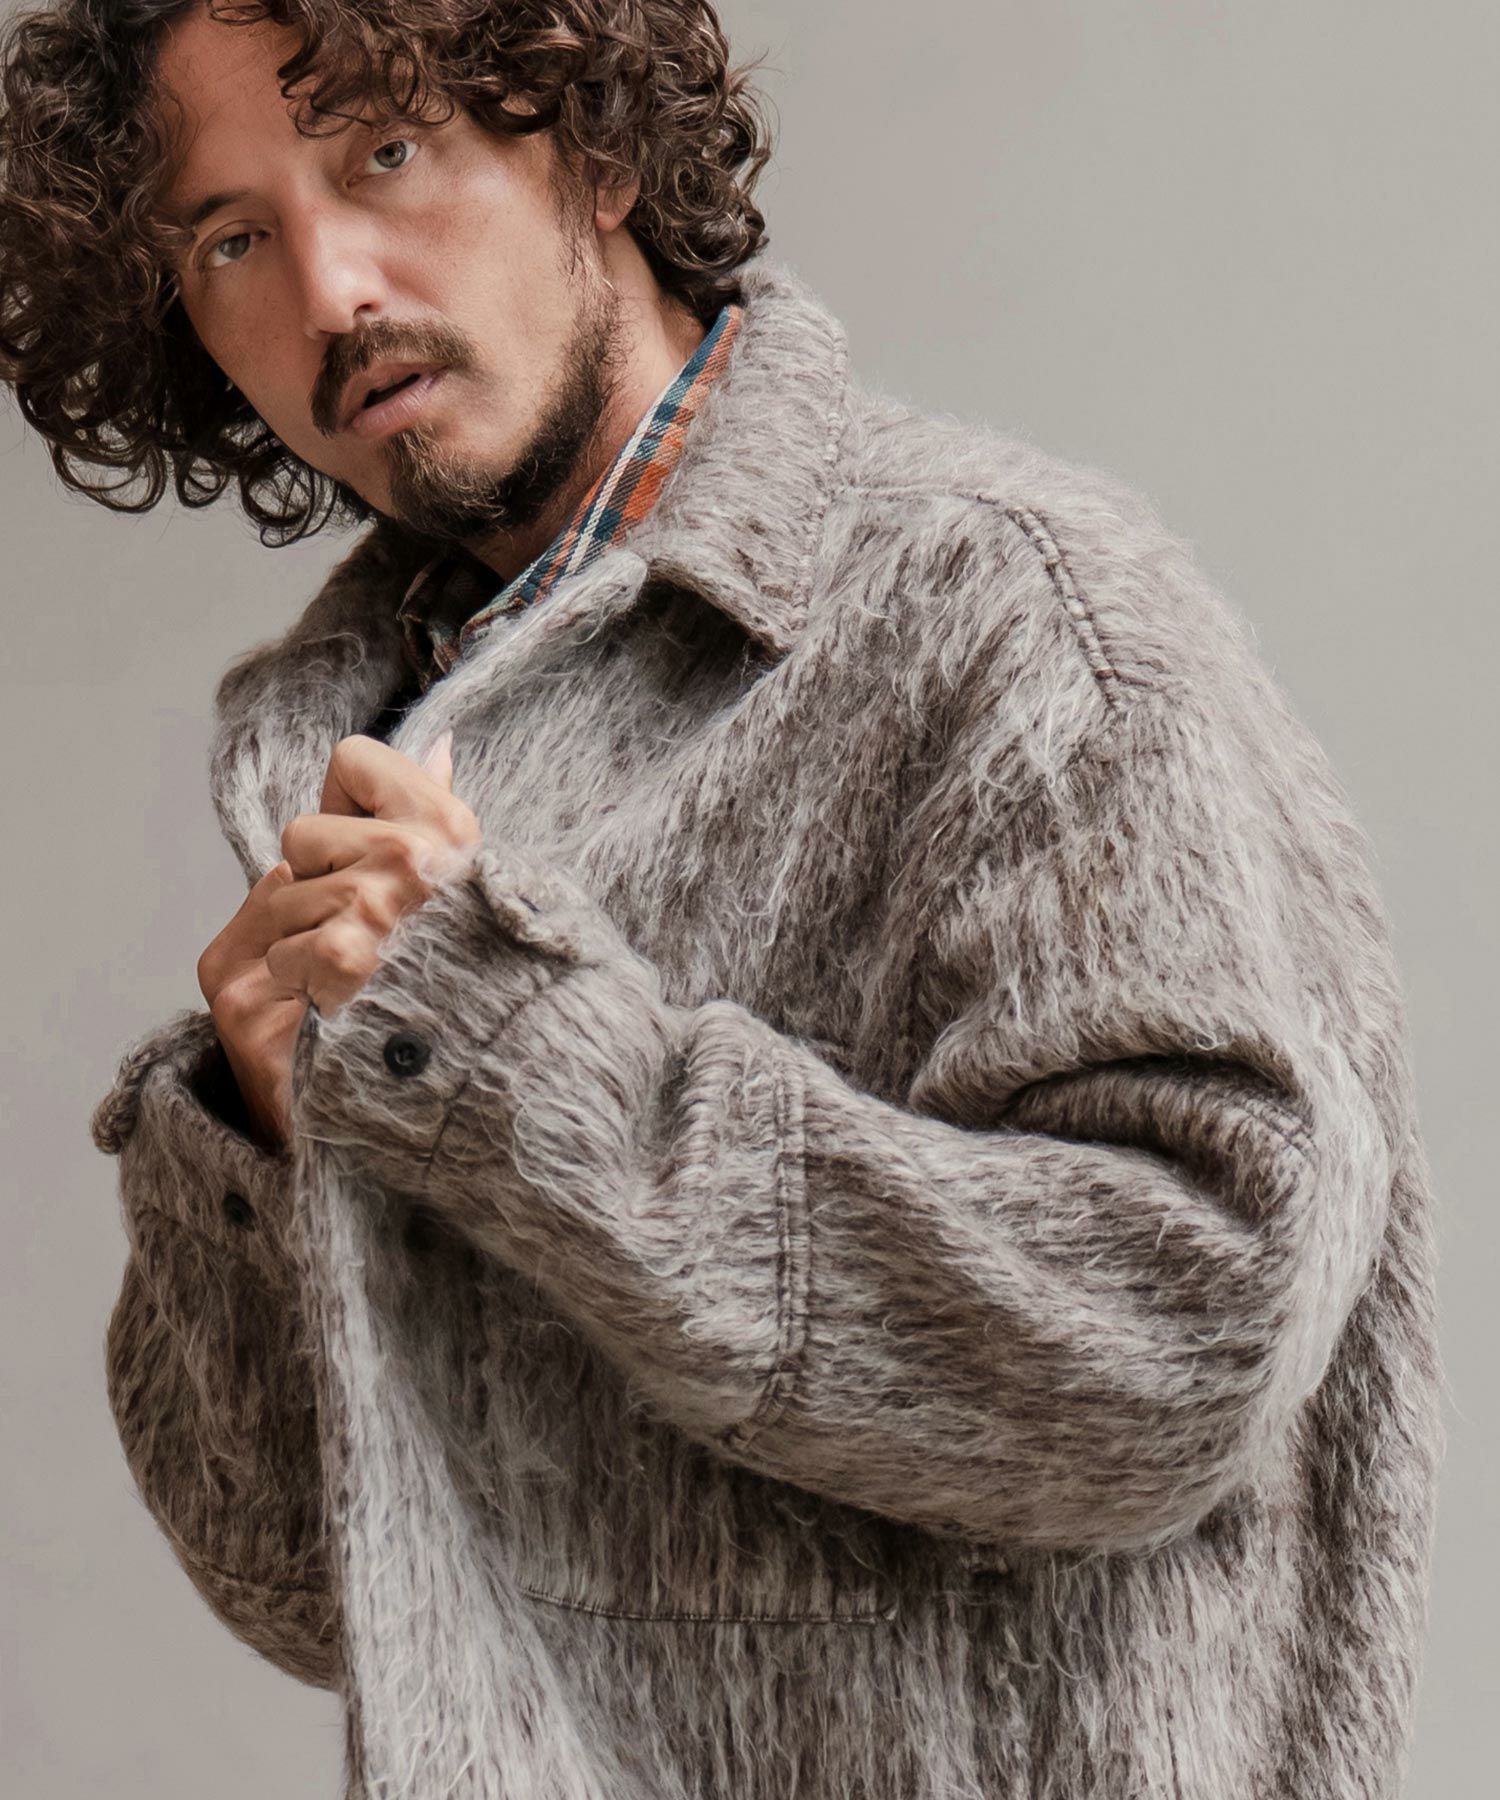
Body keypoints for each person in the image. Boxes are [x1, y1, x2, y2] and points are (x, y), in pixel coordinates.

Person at [0, 4, 1445, 1797]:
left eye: (388, 150)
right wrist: (246, 1152)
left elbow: (1183, 1351)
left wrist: (508, 1048)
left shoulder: (1016, 619)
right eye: (231, 239)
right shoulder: (375, 747)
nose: (331, 289)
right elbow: (321, 1589)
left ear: (595, 146)